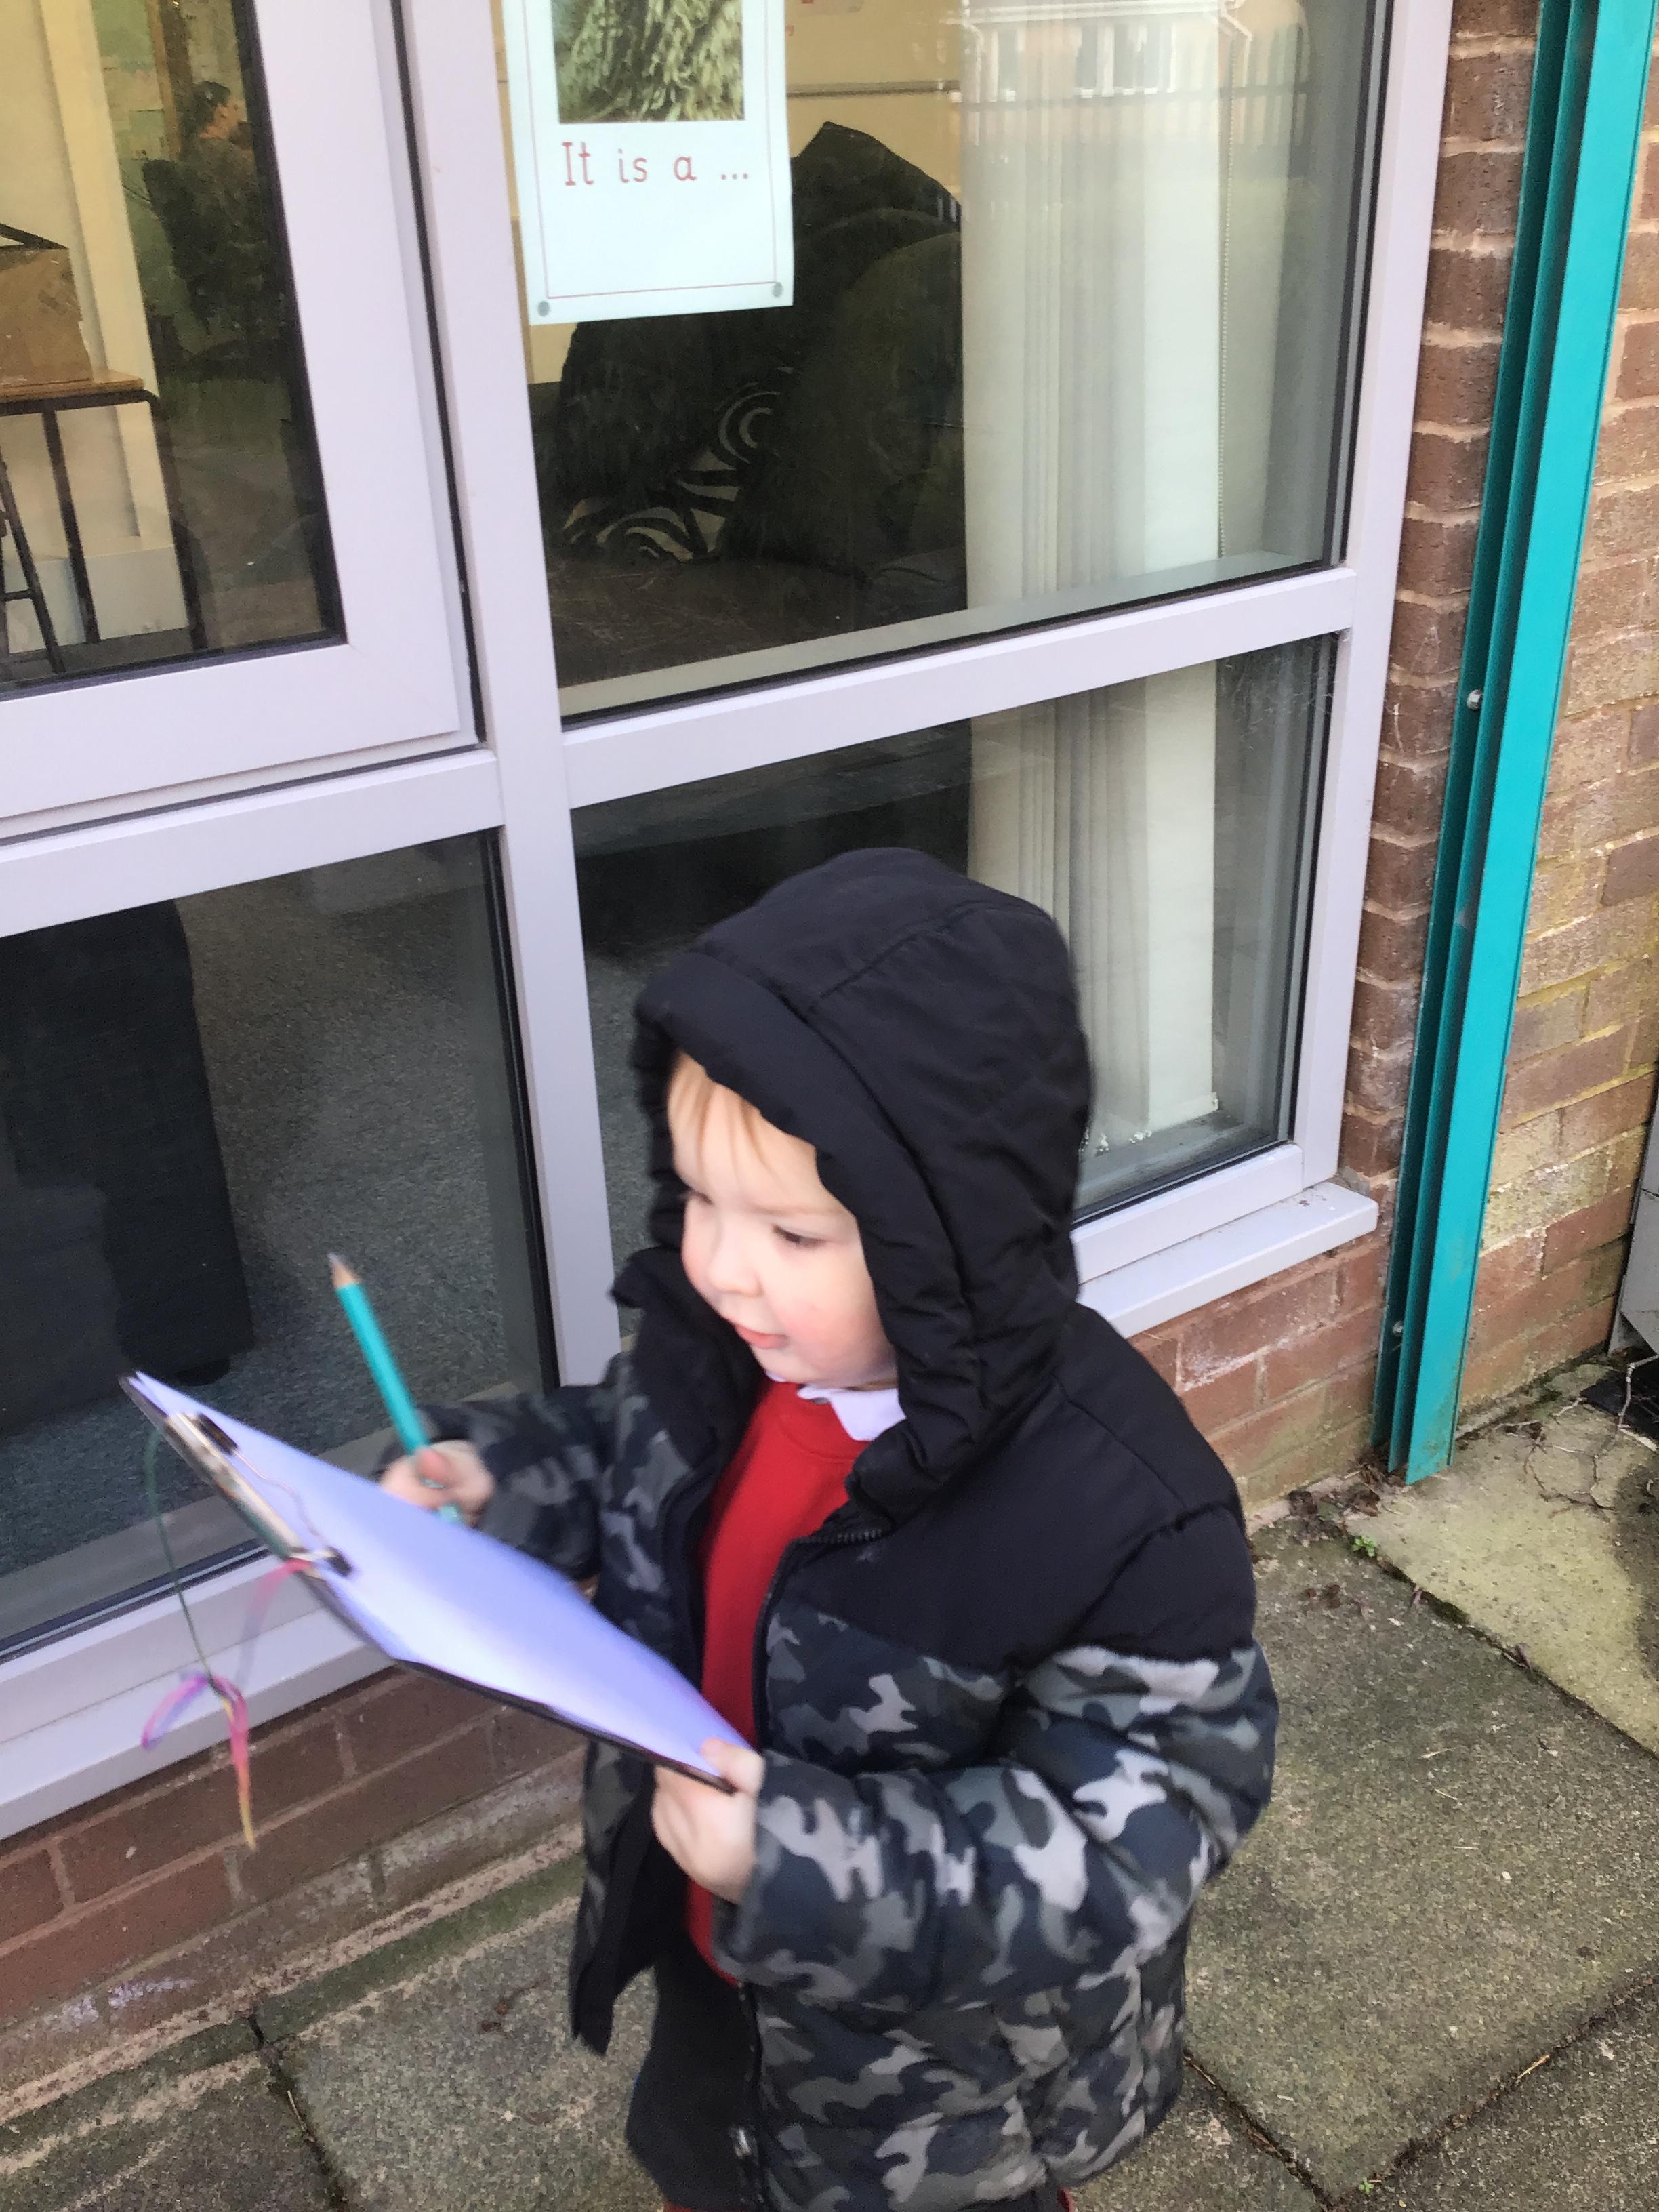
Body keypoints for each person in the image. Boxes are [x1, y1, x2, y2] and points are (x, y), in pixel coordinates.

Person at [380, 847, 1277, 2212]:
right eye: (699, 1199)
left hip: (945, 2104)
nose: (720, 1267)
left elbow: (1131, 1844)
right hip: (721, 1988)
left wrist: (796, 1861)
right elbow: (623, 1452)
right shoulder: (723, 1364)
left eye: (793, 1235)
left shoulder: (1119, 1512)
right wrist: (494, 1480)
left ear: (945, 1242)